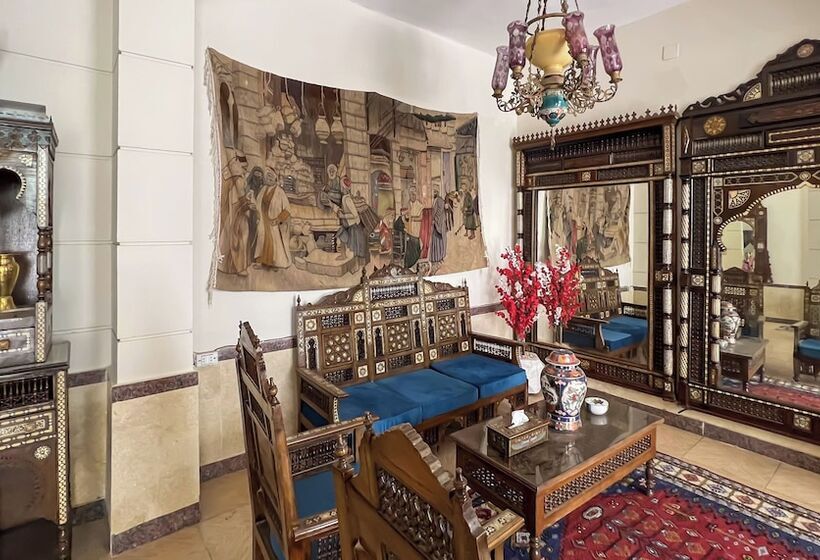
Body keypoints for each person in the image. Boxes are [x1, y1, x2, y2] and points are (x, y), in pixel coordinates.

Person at [218, 155, 252, 275]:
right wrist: (248, 207)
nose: (245, 170)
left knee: (229, 238)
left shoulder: (230, 178)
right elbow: (240, 199)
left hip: (232, 212)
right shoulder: (239, 180)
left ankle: (226, 266)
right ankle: (239, 267)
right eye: (244, 168)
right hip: (238, 213)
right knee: (241, 238)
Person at [253, 167, 292, 269]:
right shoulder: (263, 190)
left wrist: (278, 219)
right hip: (263, 220)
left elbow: (287, 209)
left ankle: (275, 263)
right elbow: (257, 203)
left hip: (274, 222)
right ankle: (261, 262)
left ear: (275, 178)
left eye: (270, 176)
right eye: (267, 176)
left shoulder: (280, 192)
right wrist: (257, 214)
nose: (269, 178)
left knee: (274, 243)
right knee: (262, 240)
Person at [336, 177, 369, 266]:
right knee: (342, 236)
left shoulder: (347, 199)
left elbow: (355, 215)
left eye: (341, 186)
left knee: (355, 248)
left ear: (343, 187)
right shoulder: (345, 198)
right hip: (350, 225)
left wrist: (343, 216)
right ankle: (344, 256)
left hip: (354, 226)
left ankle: (355, 265)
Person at [430, 190, 448, 266]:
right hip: (437, 225)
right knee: (435, 242)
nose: (433, 194)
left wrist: (434, 219)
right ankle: (436, 258)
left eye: (434, 192)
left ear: (437, 193)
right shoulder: (436, 200)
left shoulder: (439, 200)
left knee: (438, 241)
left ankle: (438, 258)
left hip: (439, 225)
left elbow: (439, 211)